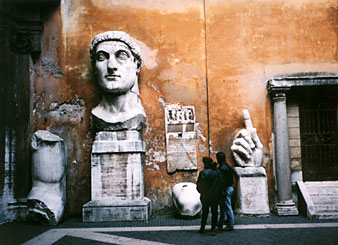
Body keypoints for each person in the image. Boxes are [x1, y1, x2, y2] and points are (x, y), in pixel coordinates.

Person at [89, 31, 146, 131]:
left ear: (137, 65)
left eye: (122, 56)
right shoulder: (97, 114)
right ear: (94, 67)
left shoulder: (136, 114)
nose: (111, 66)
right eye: (102, 57)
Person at [196, 157, 222, 236]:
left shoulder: (203, 173)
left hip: (205, 196)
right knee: (214, 212)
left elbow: (199, 185)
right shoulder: (217, 172)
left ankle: (202, 228)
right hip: (215, 195)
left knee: (205, 212)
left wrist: (202, 192)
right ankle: (213, 229)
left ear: (205, 163)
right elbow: (220, 183)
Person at [216, 151, 235, 231]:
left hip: (226, 189)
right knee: (224, 206)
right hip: (229, 187)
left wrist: (222, 190)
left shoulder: (222, 168)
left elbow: (223, 181)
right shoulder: (227, 166)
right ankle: (221, 222)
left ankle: (231, 224)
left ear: (219, 159)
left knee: (227, 206)